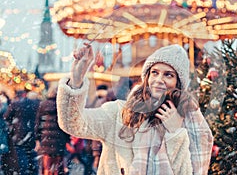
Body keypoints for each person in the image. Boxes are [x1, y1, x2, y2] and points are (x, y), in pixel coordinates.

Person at [57, 44, 213, 174]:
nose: (159, 80)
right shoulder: (120, 113)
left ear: (178, 83)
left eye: (168, 75)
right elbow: (73, 124)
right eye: (155, 73)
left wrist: (175, 133)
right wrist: (76, 80)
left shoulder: (192, 123)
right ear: (147, 77)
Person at [35, 85, 70, 175]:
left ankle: (47, 172)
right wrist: (67, 139)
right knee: (58, 164)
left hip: (46, 138)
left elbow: (38, 122)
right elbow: (66, 124)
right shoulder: (62, 105)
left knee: (46, 164)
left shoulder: (43, 104)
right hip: (59, 138)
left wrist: (37, 137)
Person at [4, 89, 40, 175]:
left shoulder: (15, 104)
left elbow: (6, 117)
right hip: (32, 132)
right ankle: (33, 171)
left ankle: (25, 172)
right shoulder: (36, 104)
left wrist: (12, 125)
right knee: (31, 154)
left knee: (21, 156)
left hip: (19, 133)